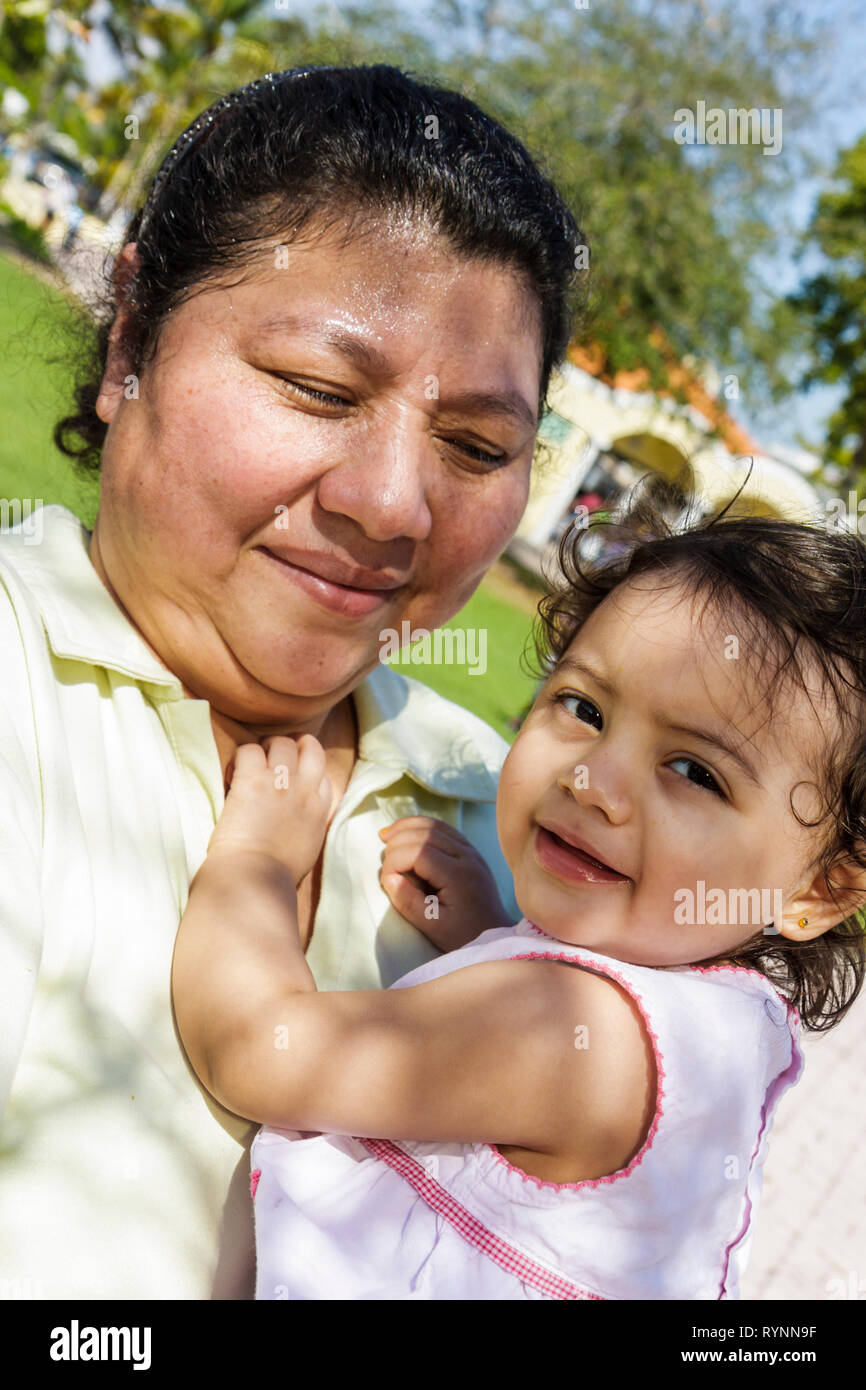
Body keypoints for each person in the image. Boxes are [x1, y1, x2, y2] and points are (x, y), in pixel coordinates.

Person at [0, 64, 585, 1299]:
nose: (388, 502)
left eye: (477, 446)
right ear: (128, 353)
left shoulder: (528, 827)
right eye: (319, 390)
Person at [171, 497, 866, 1299]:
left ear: (818, 889)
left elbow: (262, 1051)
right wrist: (496, 935)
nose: (593, 781)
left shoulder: (576, 1037)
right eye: (585, 708)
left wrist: (253, 861)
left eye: (694, 772)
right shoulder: (709, 1033)